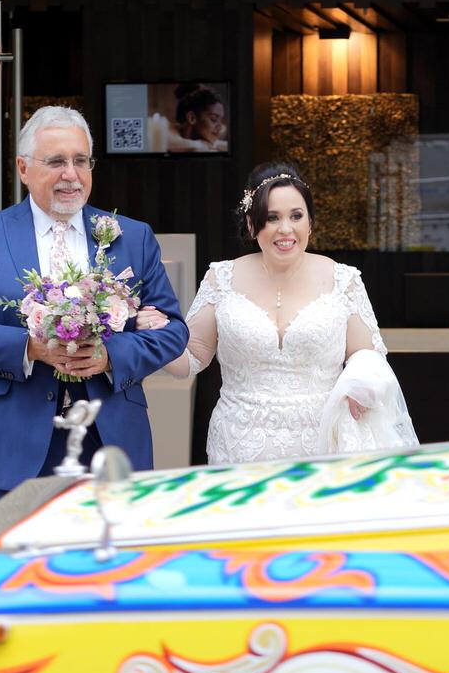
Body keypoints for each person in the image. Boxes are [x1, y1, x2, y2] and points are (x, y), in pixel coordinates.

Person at [0, 106, 188, 506]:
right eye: (56, 162)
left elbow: (174, 331)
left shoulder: (132, 236)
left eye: (81, 161)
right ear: (23, 168)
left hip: (109, 439)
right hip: (13, 443)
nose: (71, 174)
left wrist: (110, 356)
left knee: (107, 548)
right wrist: (31, 348)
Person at [137, 163, 413, 464]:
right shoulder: (221, 278)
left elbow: (368, 354)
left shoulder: (343, 280)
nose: (285, 229)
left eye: (296, 216)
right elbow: (191, 358)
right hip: (238, 444)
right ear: (251, 224)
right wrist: (157, 334)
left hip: (323, 443)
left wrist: (361, 384)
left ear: (310, 222)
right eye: (272, 218)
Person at [151, 83, 227, 152]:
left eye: (220, 120)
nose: (220, 126)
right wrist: (198, 145)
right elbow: (165, 141)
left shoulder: (206, 143)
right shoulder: (165, 130)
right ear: (192, 118)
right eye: (214, 119)